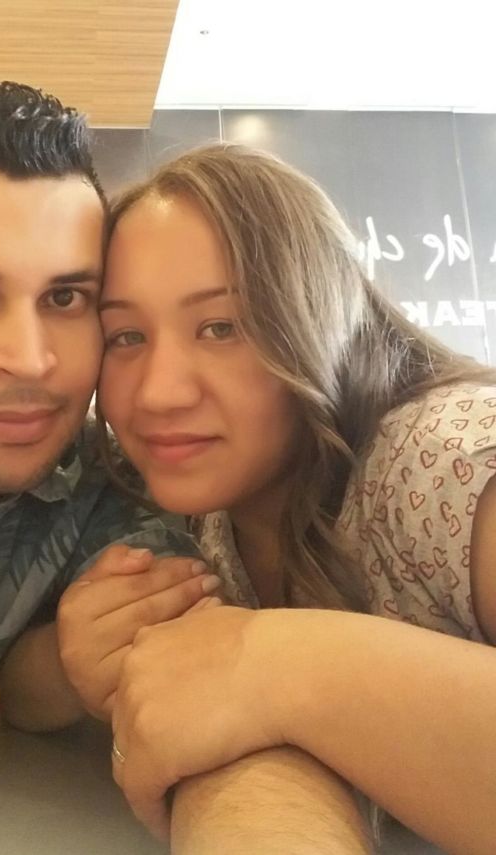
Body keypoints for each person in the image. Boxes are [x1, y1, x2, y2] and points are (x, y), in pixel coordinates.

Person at [94, 143, 496, 854]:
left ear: (318, 317)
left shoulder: (445, 459)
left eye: (222, 327)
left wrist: (271, 664)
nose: (157, 393)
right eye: (125, 336)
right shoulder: (194, 512)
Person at [0, 78, 216, 763]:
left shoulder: (99, 484)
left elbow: (158, 671)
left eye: (65, 297)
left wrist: (65, 662)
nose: (30, 360)